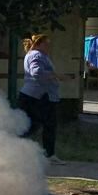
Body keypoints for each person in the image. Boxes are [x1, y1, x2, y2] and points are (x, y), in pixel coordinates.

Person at [19, 33, 65, 165]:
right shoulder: (36, 55)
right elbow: (36, 72)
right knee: (38, 125)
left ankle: (47, 154)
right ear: (39, 44)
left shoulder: (37, 55)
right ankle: (47, 154)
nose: (49, 46)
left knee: (36, 125)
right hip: (39, 97)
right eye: (46, 43)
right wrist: (56, 76)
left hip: (37, 96)